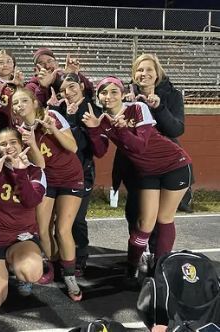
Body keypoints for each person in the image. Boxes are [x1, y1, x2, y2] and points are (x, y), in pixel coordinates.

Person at [83, 76, 192, 288]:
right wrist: (95, 129)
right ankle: (132, 266)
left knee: (164, 219)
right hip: (147, 172)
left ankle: (160, 269)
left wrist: (122, 129)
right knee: (144, 224)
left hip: (175, 165)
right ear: (98, 97)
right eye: (103, 93)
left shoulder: (138, 107)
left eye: (114, 91)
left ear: (123, 94)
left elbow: (140, 145)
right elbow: (100, 151)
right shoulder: (102, 121)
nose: (108, 96)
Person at [12, 87, 84, 301]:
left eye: (24, 100)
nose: (19, 106)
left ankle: (70, 276)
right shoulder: (19, 130)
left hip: (71, 177)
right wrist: (31, 142)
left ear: (35, 103)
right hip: (47, 179)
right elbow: (40, 163)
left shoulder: (52, 116)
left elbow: (73, 147)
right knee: (42, 229)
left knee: (62, 229)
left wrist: (54, 130)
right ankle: (53, 265)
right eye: (15, 103)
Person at [118, 54, 190, 265]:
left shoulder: (172, 95)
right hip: (137, 167)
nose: (144, 74)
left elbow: (177, 129)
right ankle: (136, 261)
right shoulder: (124, 96)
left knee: (163, 219)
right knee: (137, 216)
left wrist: (159, 107)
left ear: (158, 74)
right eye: (140, 70)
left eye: (150, 70)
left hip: (168, 165)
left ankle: (160, 262)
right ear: (134, 74)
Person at [0, 128, 46, 311]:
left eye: (13, 142)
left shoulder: (35, 170)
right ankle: (3, 266)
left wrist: (20, 173)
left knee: (31, 271)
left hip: (20, 237)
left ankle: (16, 267)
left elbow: (31, 201)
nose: (9, 147)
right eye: (4, 144)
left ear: (22, 144)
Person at [49, 73, 104, 276]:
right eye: (64, 90)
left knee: (76, 219)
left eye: (72, 87)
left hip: (82, 173)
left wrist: (71, 119)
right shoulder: (60, 108)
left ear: (81, 86)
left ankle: (80, 258)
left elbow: (79, 145)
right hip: (59, 174)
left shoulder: (92, 109)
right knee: (57, 220)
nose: (68, 93)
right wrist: (56, 110)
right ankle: (60, 257)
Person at [25, 48, 93, 108]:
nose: (47, 66)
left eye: (49, 61)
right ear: (35, 69)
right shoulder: (31, 87)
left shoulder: (63, 78)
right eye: (41, 63)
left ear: (56, 64)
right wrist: (42, 87)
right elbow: (32, 109)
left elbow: (90, 92)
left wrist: (75, 75)